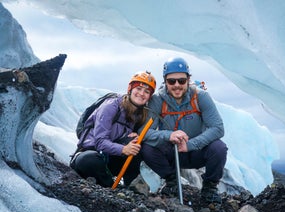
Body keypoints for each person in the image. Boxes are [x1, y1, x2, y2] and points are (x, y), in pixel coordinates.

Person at [141, 57, 228, 203]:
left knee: (219, 148)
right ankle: (172, 182)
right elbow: (143, 133)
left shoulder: (200, 97)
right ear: (165, 81)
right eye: (171, 81)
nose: (177, 85)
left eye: (181, 80)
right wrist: (169, 135)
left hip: (196, 152)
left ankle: (209, 188)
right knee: (147, 148)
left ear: (188, 79)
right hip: (170, 153)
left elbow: (218, 128)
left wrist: (190, 145)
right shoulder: (157, 100)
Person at [70, 71, 156, 187]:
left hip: (109, 158)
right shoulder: (111, 106)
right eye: (139, 89)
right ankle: (111, 186)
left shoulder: (139, 115)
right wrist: (124, 149)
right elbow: (99, 142)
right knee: (89, 160)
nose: (142, 94)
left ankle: (131, 186)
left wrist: (133, 138)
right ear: (130, 89)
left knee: (137, 146)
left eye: (147, 92)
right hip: (90, 153)